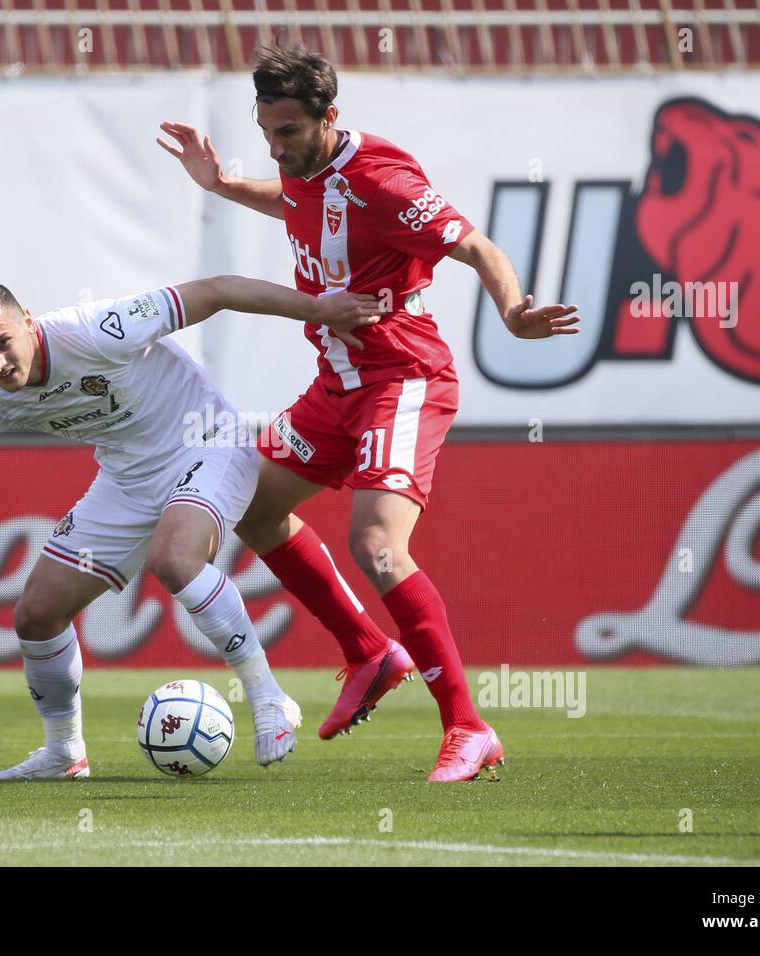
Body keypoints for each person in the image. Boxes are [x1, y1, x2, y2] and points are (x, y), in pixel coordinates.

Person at [158, 44, 580, 782]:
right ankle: (368, 651)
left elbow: (475, 245)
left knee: (378, 544)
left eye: (288, 132)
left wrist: (512, 310)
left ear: (330, 118)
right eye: (266, 130)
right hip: (337, 383)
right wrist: (223, 182)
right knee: (253, 507)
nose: (276, 146)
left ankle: (468, 725)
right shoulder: (302, 167)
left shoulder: (382, 178)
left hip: (403, 376)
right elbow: (292, 197)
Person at [0, 274, 381, 780]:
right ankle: (63, 752)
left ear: (27, 320)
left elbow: (218, 290)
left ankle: (267, 695)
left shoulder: (97, 329)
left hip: (207, 445)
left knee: (175, 560)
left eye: (2, 343)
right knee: (35, 615)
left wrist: (317, 307)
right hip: (125, 481)